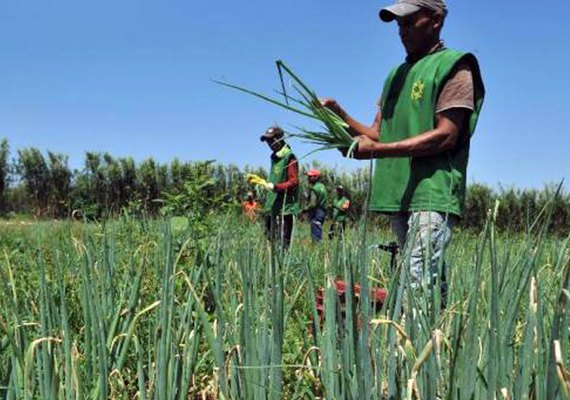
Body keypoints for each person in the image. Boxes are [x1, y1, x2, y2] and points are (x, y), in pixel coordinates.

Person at [321, 0, 485, 296]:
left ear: (436, 20)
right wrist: (339, 117)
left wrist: (375, 152)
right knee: (424, 280)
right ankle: (439, 337)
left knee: (417, 279)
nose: (402, 31)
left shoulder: (455, 66)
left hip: (432, 190)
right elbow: (377, 134)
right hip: (400, 193)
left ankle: (413, 341)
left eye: (410, 22)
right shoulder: (395, 75)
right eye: (399, 24)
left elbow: (446, 135)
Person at [259, 126, 300, 249]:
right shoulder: (275, 157)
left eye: (272, 140)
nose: (270, 144)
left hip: (284, 208)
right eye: (268, 141)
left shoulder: (289, 156)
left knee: (283, 245)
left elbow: (294, 181)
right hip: (272, 205)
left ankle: (282, 267)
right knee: (271, 242)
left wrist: (276, 187)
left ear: (280, 138)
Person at [303, 169, 327, 242]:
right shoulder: (322, 186)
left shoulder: (314, 189)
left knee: (315, 234)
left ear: (316, 177)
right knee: (319, 229)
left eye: (310, 177)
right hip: (323, 211)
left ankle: (317, 249)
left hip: (317, 212)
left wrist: (305, 209)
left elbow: (313, 204)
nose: (308, 178)